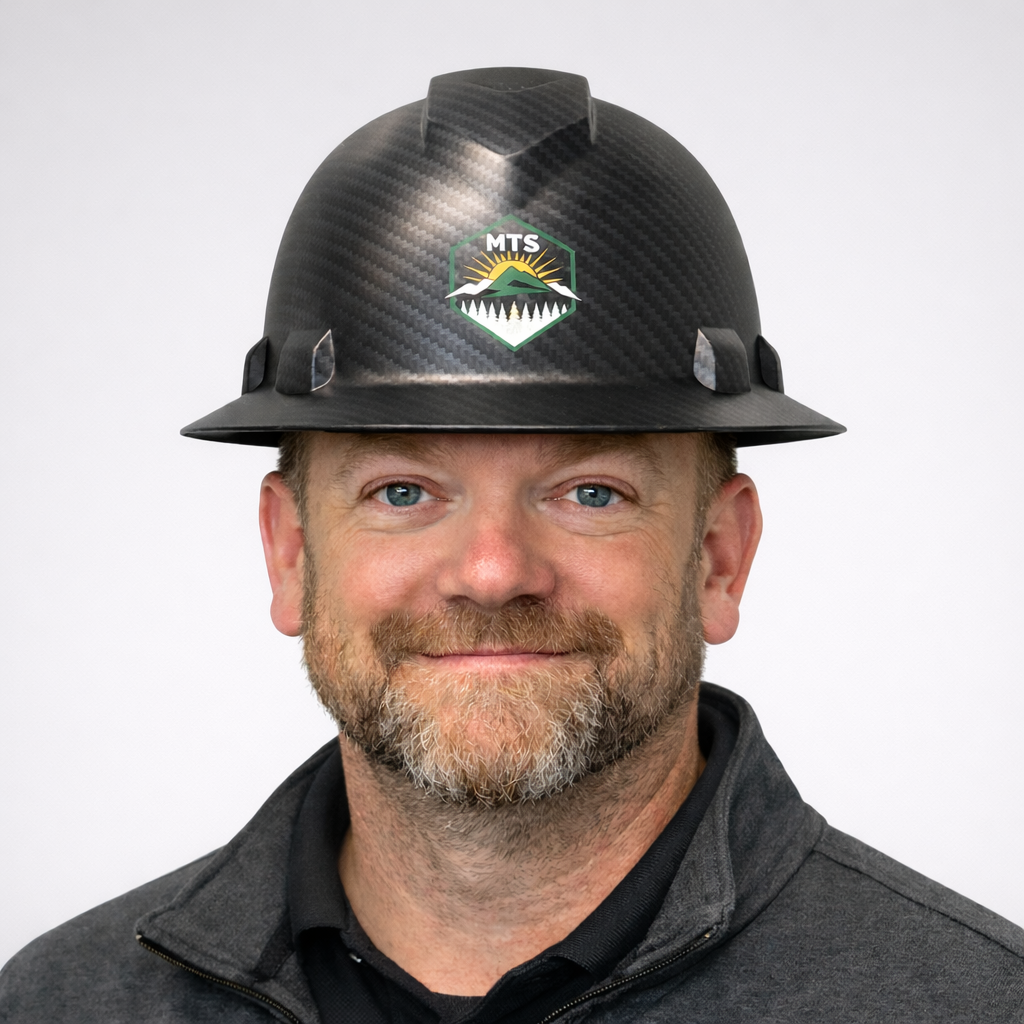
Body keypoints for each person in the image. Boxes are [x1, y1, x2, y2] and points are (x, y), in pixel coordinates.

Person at [1, 66, 1021, 1023]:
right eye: (403, 490)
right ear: (291, 554)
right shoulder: (62, 1001)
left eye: (589, 491)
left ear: (718, 556)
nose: (492, 571)